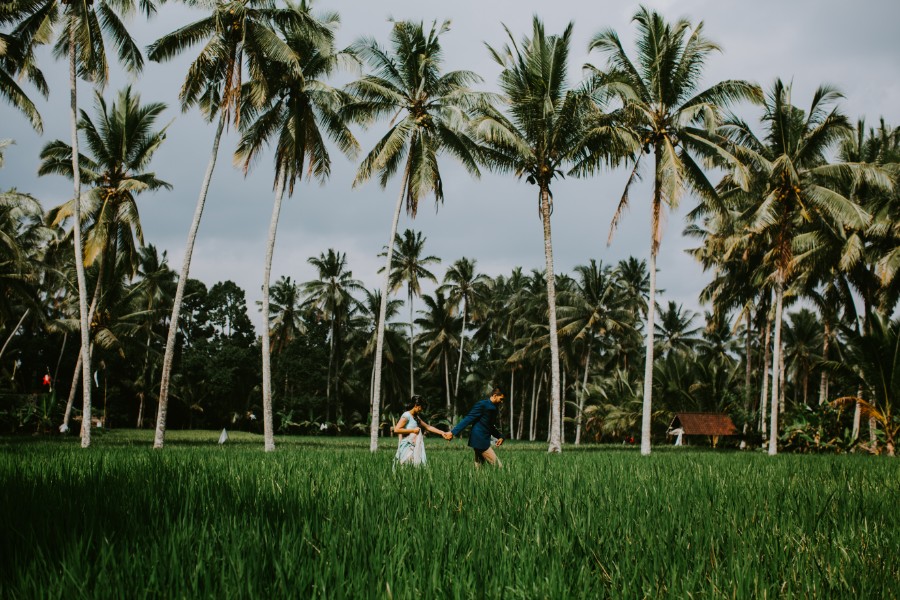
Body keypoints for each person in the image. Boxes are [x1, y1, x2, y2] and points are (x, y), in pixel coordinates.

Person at [444, 387, 505, 467]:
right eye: (501, 399)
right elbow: (468, 418)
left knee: (479, 468)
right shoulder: (482, 404)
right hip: (479, 440)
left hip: (482, 440)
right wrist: (453, 432)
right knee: (499, 467)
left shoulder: (494, 408)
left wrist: (500, 437)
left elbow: (489, 426)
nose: (502, 401)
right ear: (494, 395)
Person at [393, 395, 450, 467]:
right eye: (421, 407)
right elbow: (396, 429)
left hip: (414, 446)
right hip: (407, 446)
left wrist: (442, 433)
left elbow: (428, 427)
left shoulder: (416, 417)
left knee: (413, 468)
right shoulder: (406, 415)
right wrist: (413, 430)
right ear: (416, 405)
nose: (422, 410)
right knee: (405, 467)